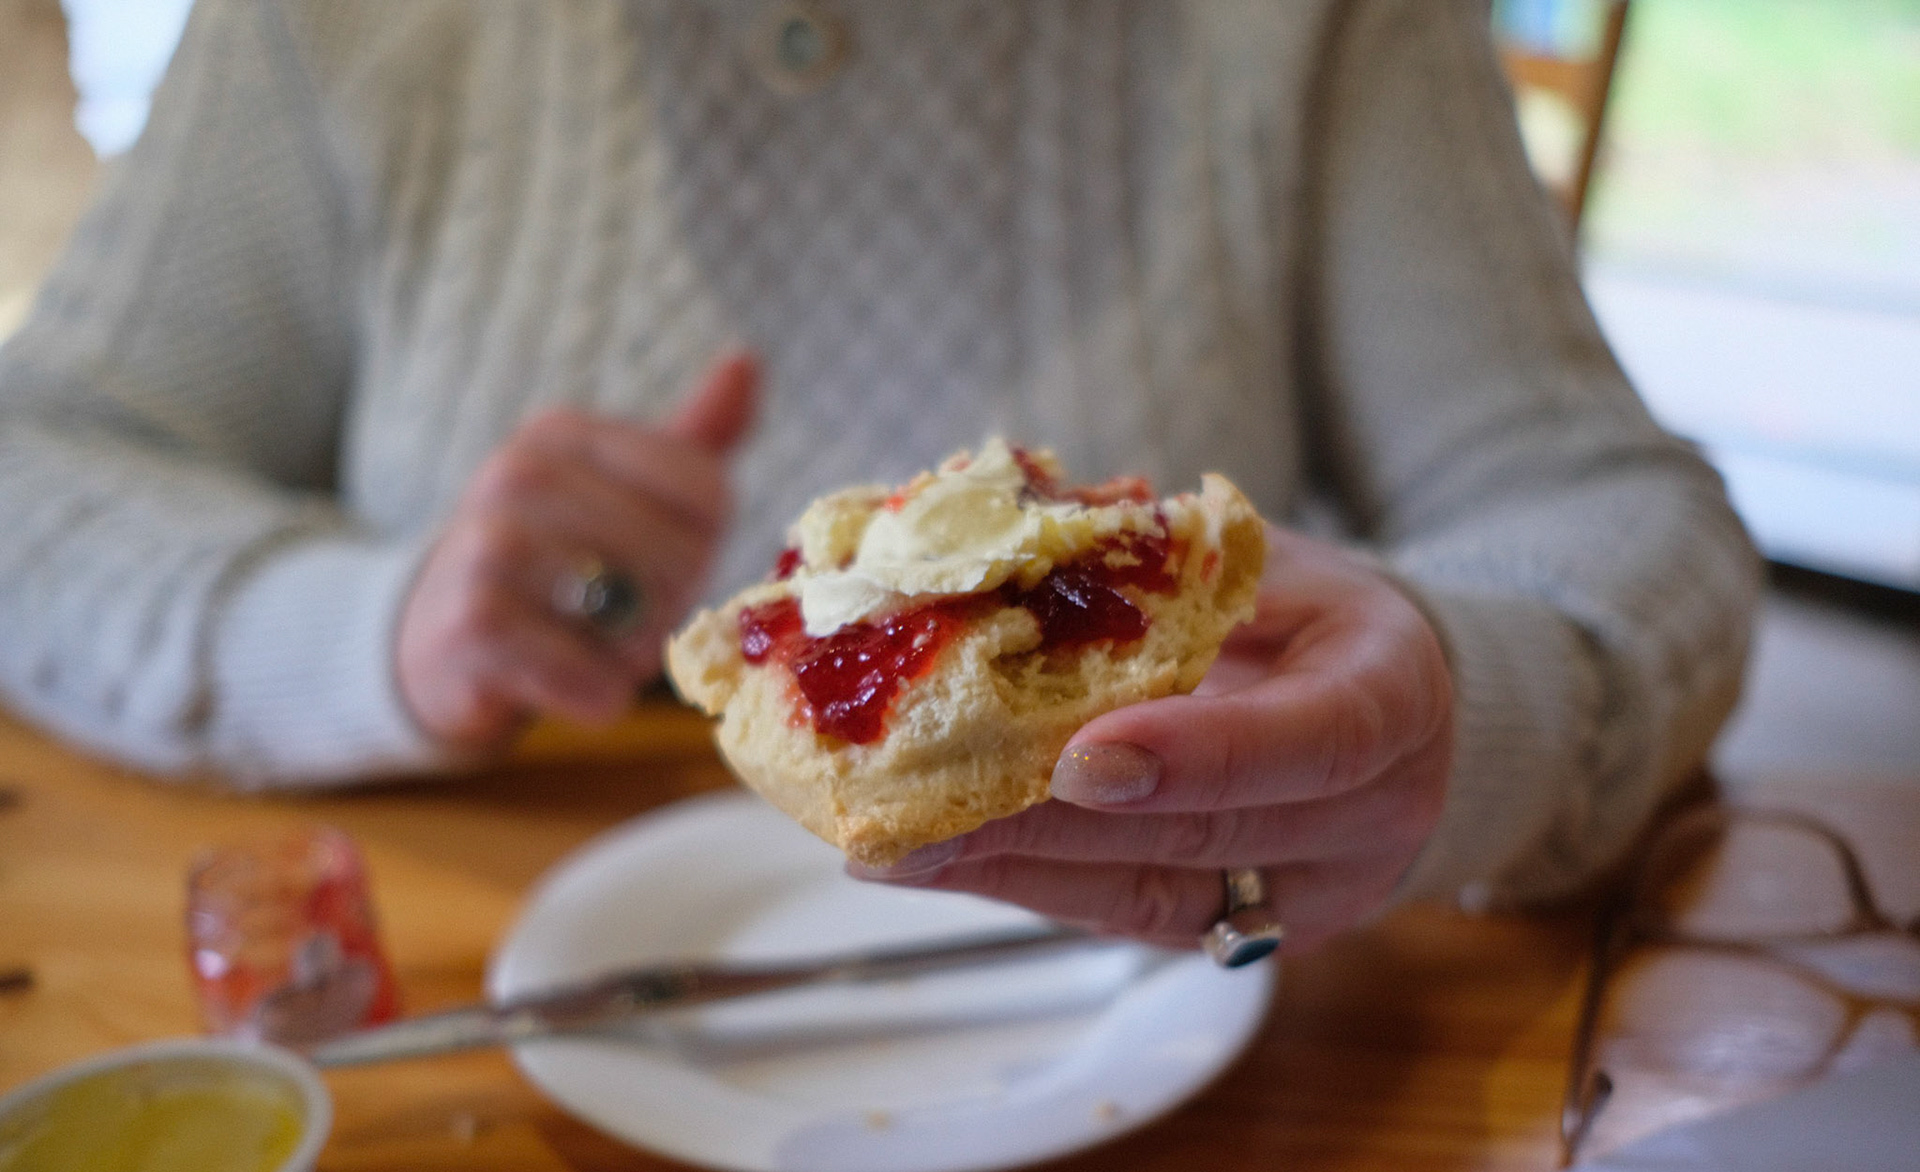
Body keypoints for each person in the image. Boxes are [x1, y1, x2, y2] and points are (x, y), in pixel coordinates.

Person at [0, 0, 1758, 955]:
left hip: (1230, 1071)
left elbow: (1626, 513)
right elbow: (39, 466)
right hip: (466, 1013)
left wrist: (1470, 712)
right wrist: (375, 632)